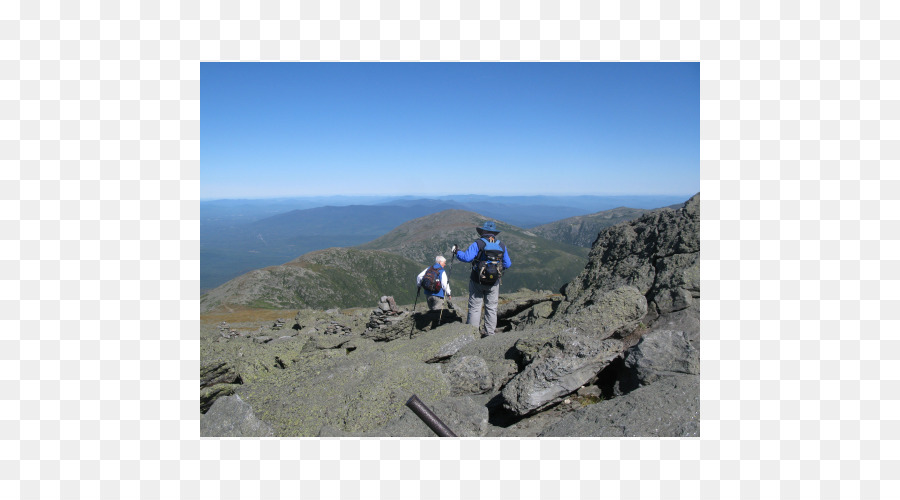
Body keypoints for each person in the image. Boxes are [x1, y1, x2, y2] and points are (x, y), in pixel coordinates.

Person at [452, 221, 512, 338]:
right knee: (492, 307)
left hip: (477, 280)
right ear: (494, 233)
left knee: (475, 307)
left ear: (483, 231)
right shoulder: (501, 245)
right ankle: (489, 333)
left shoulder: (478, 243)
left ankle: (472, 334)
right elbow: (508, 264)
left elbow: (466, 258)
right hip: (494, 282)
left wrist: (457, 251)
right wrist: (496, 269)